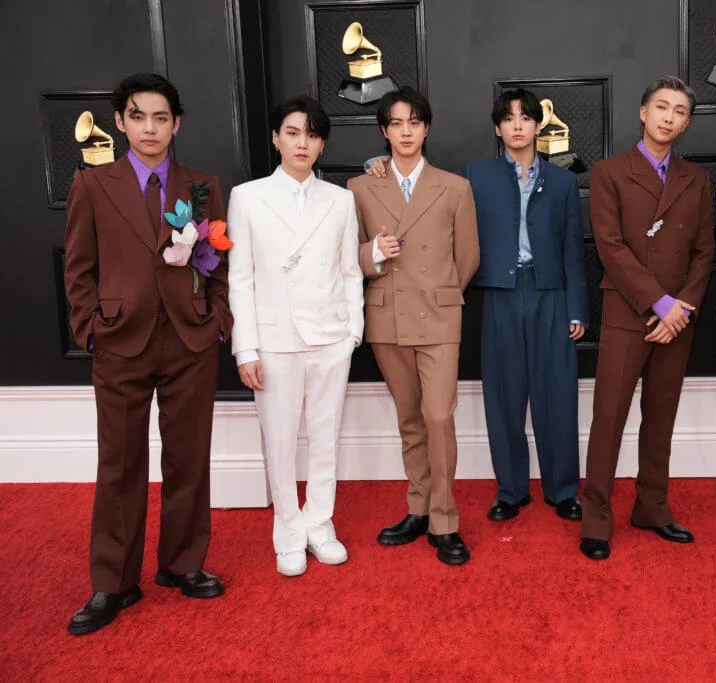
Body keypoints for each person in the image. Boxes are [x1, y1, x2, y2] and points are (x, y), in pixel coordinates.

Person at [364, 88, 589, 523]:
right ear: (497, 127)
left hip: (552, 297)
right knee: (502, 397)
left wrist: (577, 309)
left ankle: (563, 490)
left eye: (527, 118)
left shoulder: (562, 180)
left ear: (539, 125)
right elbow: (423, 190)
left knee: (557, 396)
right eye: (509, 118)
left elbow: (573, 251)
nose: (518, 125)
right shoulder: (474, 176)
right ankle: (510, 491)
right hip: (499, 295)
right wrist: (373, 164)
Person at [64, 73, 231, 635]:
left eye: (162, 118)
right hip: (119, 340)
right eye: (139, 116)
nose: (150, 128)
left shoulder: (202, 186)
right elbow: (79, 269)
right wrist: (90, 329)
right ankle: (113, 582)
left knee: (189, 458)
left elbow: (219, 265)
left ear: (176, 123)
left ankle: (183, 564)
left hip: (189, 340)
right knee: (120, 464)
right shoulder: (92, 184)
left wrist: (217, 322)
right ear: (120, 121)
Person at [579, 76, 715, 560]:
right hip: (627, 313)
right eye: (662, 107)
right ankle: (596, 515)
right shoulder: (609, 172)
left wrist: (681, 310)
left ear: (686, 122)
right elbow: (610, 249)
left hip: (678, 318)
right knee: (608, 418)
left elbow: (704, 252)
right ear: (643, 112)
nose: (669, 117)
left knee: (661, 418)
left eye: (680, 111)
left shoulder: (696, 179)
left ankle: (652, 507)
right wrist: (659, 303)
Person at [227, 96, 363, 577]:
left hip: (330, 337)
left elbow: (350, 270)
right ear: (275, 138)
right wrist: (246, 346)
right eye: (292, 132)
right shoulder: (247, 197)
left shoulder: (341, 200)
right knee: (280, 439)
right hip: (274, 339)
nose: (301, 142)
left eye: (311, 133)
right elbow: (239, 277)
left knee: (327, 437)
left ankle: (319, 523)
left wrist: (353, 331)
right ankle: (288, 529)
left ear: (322, 142)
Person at [348, 87, 480, 565]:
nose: (405, 132)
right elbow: (348, 258)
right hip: (388, 315)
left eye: (414, 122)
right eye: (396, 124)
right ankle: (418, 509)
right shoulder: (360, 188)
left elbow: (467, 258)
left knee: (438, 418)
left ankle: (445, 520)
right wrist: (374, 254)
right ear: (384, 131)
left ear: (426, 128)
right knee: (409, 419)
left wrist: (442, 294)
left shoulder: (454, 187)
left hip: (440, 316)